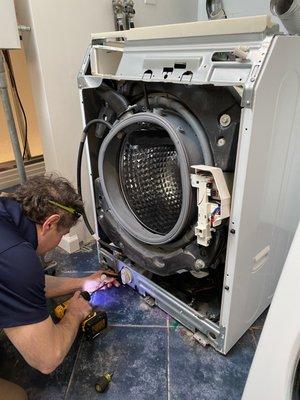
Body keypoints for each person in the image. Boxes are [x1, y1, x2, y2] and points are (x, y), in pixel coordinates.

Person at [0, 174, 119, 400]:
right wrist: (74, 314)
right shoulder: (18, 260)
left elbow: (19, 284)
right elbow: (48, 359)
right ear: (49, 223)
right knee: (17, 396)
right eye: (62, 234)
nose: (58, 242)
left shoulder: (6, 206)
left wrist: (83, 282)